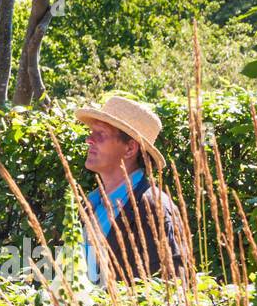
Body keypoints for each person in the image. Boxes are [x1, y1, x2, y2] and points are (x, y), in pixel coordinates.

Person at [75, 96, 186, 283]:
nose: (89, 139)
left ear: (129, 149)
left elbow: (170, 287)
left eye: (100, 134)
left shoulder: (154, 208)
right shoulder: (91, 204)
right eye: (91, 132)